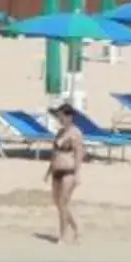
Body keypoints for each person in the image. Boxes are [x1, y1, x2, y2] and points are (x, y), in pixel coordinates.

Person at [46, 102, 83, 244]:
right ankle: (76, 227)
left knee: (63, 203)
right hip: (56, 170)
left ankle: (63, 235)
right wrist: (48, 171)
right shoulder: (60, 132)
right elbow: (54, 153)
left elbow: (79, 153)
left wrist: (78, 174)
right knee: (58, 203)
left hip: (69, 171)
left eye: (61, 116)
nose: (59, 119)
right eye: (58, 116)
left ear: (69, 117)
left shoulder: (75, 133)